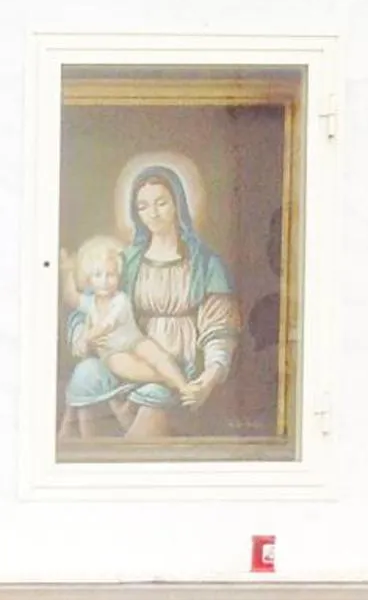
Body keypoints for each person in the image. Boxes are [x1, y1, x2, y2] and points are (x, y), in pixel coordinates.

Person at [62, 167, 243, 442]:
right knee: (86, 374)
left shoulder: (205, 263)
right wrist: (85, 336)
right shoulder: (126, 261)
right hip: (129, 359)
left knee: (152, 408)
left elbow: (220, 326)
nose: (153, 214)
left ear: (178, 204)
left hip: (184, 365)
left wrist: (209, 377)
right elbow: (88, 303)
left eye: (161, 203)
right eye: (143, 206)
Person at [64, 233, 191, 412]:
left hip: (135, 341)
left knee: (157, 355)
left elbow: (108, 325)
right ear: (89, 280)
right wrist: (68, 270)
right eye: (98, 275)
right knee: (124, 367)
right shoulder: (90, 302)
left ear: (119, 275)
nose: (105, 281)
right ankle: (165, 379)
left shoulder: (121, 300)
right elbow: (71, 297)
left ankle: (184, 386)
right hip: (113, 352)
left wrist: (87, 337)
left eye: (110, 275)